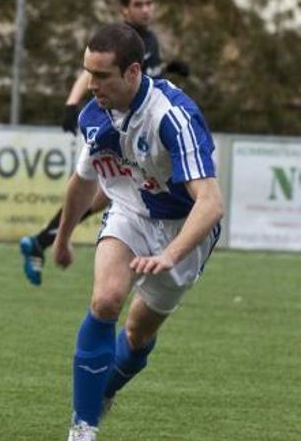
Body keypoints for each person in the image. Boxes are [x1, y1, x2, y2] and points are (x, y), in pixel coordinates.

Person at [52, 23, 222, 441]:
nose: (91, 85)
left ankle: (103, 391)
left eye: (101, 76)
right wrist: (61, 237)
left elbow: (211, 203)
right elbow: (82, 183)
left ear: (132, 73)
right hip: (129, 211)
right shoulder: (94, 115)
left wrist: (170, 255)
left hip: (183, 229)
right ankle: (83, 426)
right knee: (107, 299)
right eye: (87, 73)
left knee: (137, 334)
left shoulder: (172, 116)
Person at [19, 0, 191, 286]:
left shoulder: (148, 41)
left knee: (106, 196)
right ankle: (46, 240)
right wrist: (72, 104)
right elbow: (89, 73)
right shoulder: (118, 40)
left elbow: (144, 85)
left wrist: (169, 70)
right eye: (138, 4)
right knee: (103, 194)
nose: (146, 10)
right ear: (124, 10)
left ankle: (43, 240)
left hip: (139, 127)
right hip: (111, 128)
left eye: (149, 3)